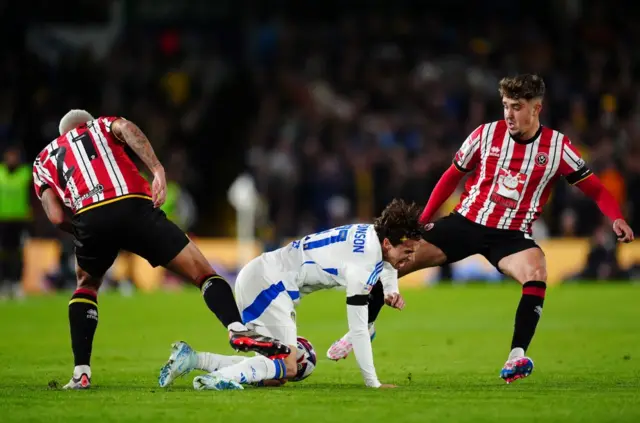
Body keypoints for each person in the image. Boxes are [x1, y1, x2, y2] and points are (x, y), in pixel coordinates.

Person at [327, 74, 635, 384]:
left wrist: (616, 217)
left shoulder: (557, 148)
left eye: (517, 107)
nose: (509, 114)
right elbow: (451, 177)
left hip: (511, 236)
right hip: (465, 223)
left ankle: (516, 356)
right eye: (505, 106)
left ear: (536, 108)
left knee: (537, 270)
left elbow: (595, 188)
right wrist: (424, 219)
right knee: (395, 261)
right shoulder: (485, 135)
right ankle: (363, 328)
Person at [32, 110, 289, 390]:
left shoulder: (42, 161)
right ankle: (237, 328)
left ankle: (81, 372)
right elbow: (127, 128)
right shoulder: (101, 125)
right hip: (133, 205)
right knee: (202, 272)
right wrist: (157, 169)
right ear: (86, 123)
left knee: (87, 285)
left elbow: (56, 216)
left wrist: (81, 230)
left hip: (89, 217)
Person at [158, 199, 423, 390]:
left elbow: (388, 263)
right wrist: (373, 383)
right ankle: (216, 379)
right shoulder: (363, 264)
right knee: (293, 364)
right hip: (271, 283)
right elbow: (358, 328)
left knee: (276, 373)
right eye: (408, 252)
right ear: (388, 242)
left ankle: (193, 359)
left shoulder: (371, 234)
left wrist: (390, 289)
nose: (410, 259)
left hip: (262, 275)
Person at [0, 145, 32, 300]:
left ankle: (17, 284)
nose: (12, 159)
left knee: (18, 254)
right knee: (4, 254)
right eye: (9, 155)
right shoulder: (0, 173)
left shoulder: (25, 173)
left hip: (20, 220)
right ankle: (5, 284)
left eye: (15, 156)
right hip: (3, 220)